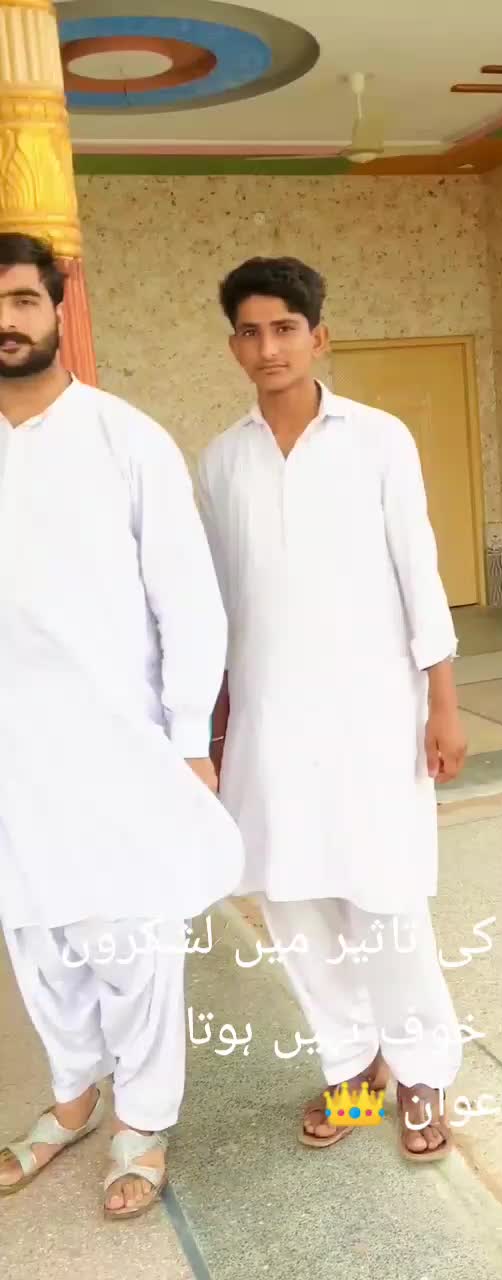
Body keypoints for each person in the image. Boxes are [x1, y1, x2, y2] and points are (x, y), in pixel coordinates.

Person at [198, 256, 467, 1161]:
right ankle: (355, 1071)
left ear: (319, 336)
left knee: (386, 898)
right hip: (271, 725)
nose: (268, 347)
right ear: (234, 346)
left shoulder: (379, 439)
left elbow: (419, 574)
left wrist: (442, 703)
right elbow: (219, 607)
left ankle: (422, 1073)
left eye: (284, 328)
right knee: (295, 901)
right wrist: (210, 732)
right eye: (250, 331)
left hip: (374, 716)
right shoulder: (221, 460)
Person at [0, 233, 245, 1218]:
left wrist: (188, 736)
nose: (7, 320)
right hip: (11, 750)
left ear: (57, 310)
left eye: (22, 299)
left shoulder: (123, 438)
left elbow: (188, 597)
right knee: (35, 928)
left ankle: (141, 1120)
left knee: (131, 933)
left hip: (117, 741)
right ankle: (72, 1098)